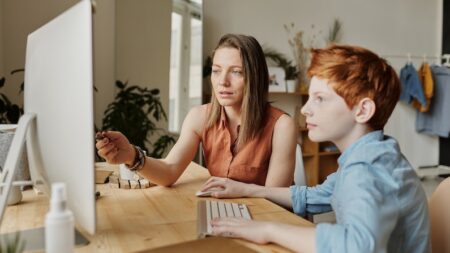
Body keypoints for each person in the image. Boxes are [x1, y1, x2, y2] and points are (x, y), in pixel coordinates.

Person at [201, 45, 431, 253]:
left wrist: (268, 230)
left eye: (320, 99)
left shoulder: (367, 169)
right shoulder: (373, 154)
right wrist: (246, 189)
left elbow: (356, 246)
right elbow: (315, 196)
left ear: (362, 111)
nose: (305, 110)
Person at [96, 34, 297, 187]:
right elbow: (169, 171)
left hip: (268, 222)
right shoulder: (199, 117)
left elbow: (275, 201)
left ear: (255, 77)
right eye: (217, 71)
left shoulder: (282, 126)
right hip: (226, 214)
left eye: (236, 72)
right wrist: (131, 155)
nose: (222, 81)